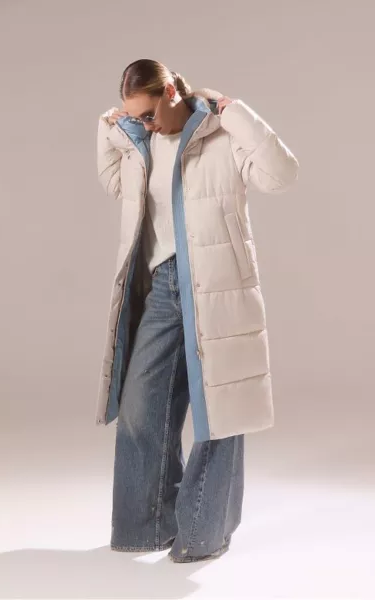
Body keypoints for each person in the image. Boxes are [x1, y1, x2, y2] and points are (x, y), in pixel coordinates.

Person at [95, 59, 299, 563]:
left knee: (221, 411)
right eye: (135, 117)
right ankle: (147, 526)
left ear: (170, 92)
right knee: (140, 407)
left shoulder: (221, 132)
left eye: (147, 114)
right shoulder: (142, 143)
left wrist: (238, 113)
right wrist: (111, 131)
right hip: (163, 284)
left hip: (218, 284)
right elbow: (116, 184)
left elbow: (282, 174)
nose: (145, 125)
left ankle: (203, 534)